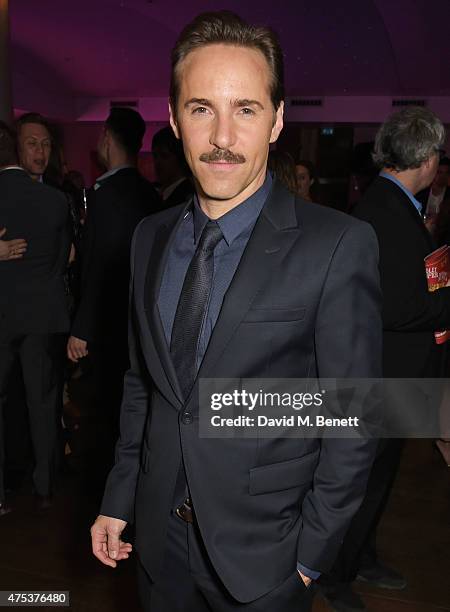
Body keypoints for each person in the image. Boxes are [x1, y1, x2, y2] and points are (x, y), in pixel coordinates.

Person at [90, 11, 381, 612]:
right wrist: (119, 498)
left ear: (276, 120)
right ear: (173, 120)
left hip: (266, 558)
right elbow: (142, 383)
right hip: (158, 544)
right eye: (201, 109)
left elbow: (352, 416)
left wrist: (308, 559)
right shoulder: (148, 237)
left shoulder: (337, 245)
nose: (223, 135)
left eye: (245, 109)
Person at [320, 107, 450, 612]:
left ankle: (361, 558)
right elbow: (395, 306)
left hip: (394, 375)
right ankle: (335, 574)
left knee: (377, 481)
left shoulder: (395, 203)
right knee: (362, 484)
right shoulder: (383, 211)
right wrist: (444, 298)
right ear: (426, 157)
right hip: (382, 376)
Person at [67, 108, 162, 474]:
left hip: (109, 322)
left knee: (110, 408)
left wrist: (82, 327)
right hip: (140, 318)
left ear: (106, 136)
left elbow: (99, 266)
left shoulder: (104, 195)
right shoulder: (149, 194)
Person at [0, 121, 70, 514]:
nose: (40, 151)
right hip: (42, 313)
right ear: (17, 149)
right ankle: (44, 489)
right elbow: (61, 263)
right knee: (43, 403)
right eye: (32, 143)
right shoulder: (56, 201)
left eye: (46, 143)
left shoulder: (53, 198)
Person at [152, 125, 194, 208]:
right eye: (155, 156)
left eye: (165, 156)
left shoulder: (185, 197)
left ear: (181, 158)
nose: (157, 162)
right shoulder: (160, 193)